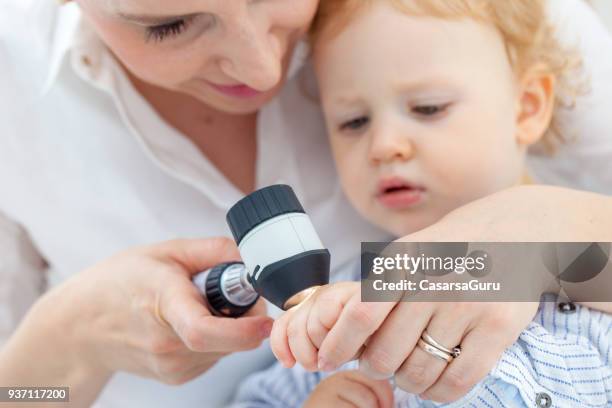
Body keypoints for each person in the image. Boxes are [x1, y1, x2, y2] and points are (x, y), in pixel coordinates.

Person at [0, 0, 611, 407]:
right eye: (169, 24)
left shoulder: (445, 20)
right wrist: (71, 341)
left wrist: (554, 244)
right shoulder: (341, 307)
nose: (261, 67)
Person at [232, 0, 612, 406]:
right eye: (354, 122)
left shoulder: (587, 262)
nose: (383, 146)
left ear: (527, 106)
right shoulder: (339, 304)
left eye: (428, 108)